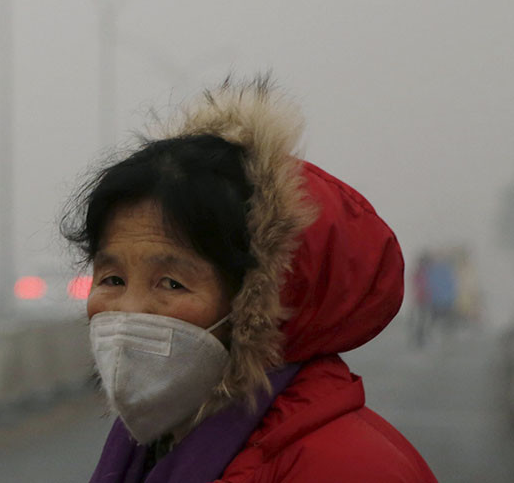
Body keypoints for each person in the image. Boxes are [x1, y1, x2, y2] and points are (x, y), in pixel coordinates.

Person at [62, 76, 437, 482]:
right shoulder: (147, 448)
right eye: (113, 279)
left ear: (256, 302)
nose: (130, 310)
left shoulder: (350, 468)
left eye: (171, 283)